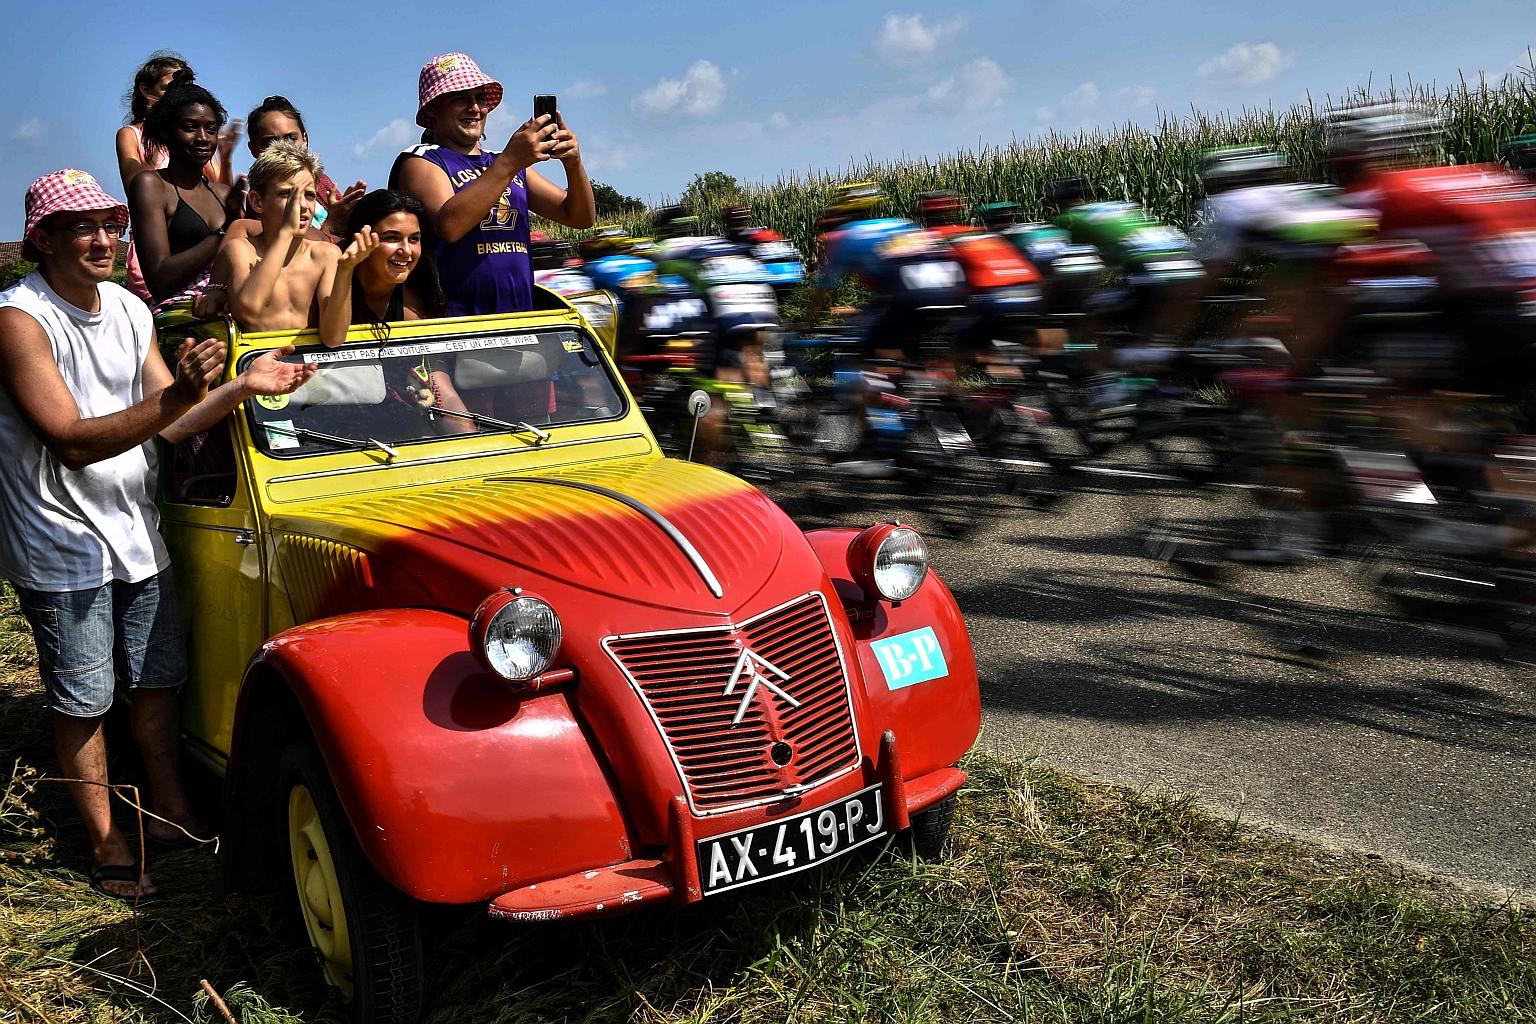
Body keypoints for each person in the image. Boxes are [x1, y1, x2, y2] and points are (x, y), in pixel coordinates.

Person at [0, 170, 313, 902]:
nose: (103, 238)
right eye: (82, 227)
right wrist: (179, 391)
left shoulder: (130, 310)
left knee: (155, 682)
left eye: (111, 223)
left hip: (134, 527)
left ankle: (170, 813)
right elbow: (70, 441)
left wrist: (239, 386)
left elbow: (168, 423)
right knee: (83, 701)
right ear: (42, 240)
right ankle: (109, 842)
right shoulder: (20, 320)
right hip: (59, 539)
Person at [392, 52, 596, 315]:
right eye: (459, 98)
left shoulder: (506, 164)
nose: (474, 108)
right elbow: (450, 226)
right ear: (432, 110)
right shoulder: (421, 161)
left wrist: (573, 163)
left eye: (479, 98)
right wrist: (511, 161)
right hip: (460, 329)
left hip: (521, 321)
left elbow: (579, 217)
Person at [114, 54, 240, 302]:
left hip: (231, 316)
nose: (203, 137)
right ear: (165, 132)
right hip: (180, 319)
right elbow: (160, 281)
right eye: (190, 127)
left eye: (211, 129)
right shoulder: (151, 185)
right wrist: (224, 232)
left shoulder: (223, 194)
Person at [217, 141, 371, 333]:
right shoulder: (241, 250)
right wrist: (286, 233)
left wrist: (345, 271)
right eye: (287, 194)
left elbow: (334, 336)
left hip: (310, 361)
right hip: (256, 360)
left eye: (309, 195)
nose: (302, 205)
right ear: (257, 202)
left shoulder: (325, 254)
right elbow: (248, 312)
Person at [244, 95, 365, 240]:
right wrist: (331, 224)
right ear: (253, 149)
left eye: (290, 138)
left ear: (305, 139)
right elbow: (280, 246)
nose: (284, 147)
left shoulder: (323, 183)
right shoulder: (262, 196)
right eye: (270, 142)